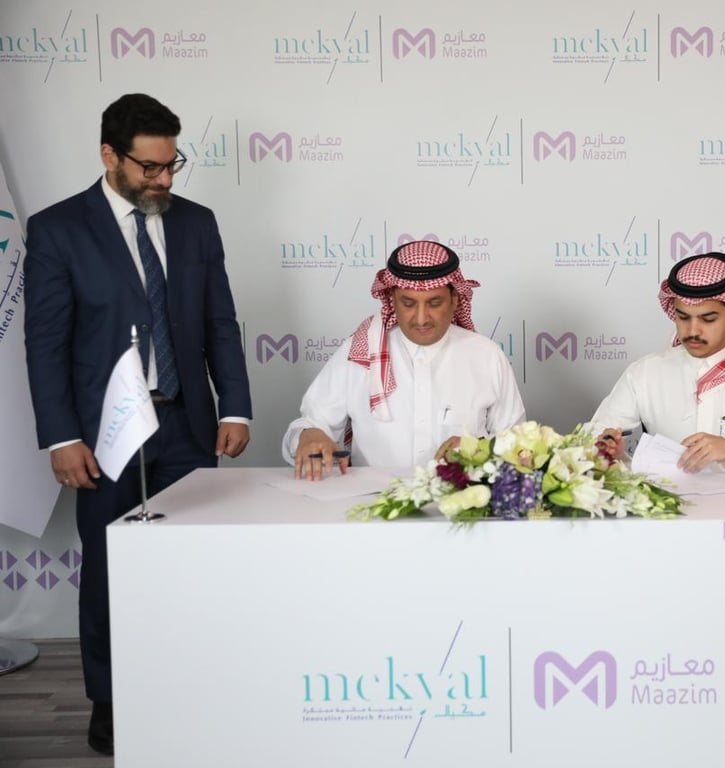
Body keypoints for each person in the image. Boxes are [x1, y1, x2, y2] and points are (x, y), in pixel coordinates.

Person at [24, 93, 253, 755]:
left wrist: (234, 405)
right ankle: (111, 701)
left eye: (171, 165)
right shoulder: (59, 229)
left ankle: (192, 689)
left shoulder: (197, 223)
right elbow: (46, 342)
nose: (162, 179)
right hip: (106, 435)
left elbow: (219, 321)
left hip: (187, 424)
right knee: (107, 569)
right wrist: (62, 436)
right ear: (109, 156)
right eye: (149, 167)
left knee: (193, 568)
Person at [283, 240, 525, 478]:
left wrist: (480, 449)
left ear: (454, 300)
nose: (421, 318)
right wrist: (309, 435)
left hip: (461, 499)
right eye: (408, 303)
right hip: (372, 500)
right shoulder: (359, 352)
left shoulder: (486, 355)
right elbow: (310, 425)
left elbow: (520, 445)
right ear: (392, 299)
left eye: (434, 303)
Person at [590, 251, 725, 473]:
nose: (693, 331)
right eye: (683, 317)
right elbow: (596, 433)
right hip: (668, 495)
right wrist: (607, 446)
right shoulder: (645, 373)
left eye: (708, 319)